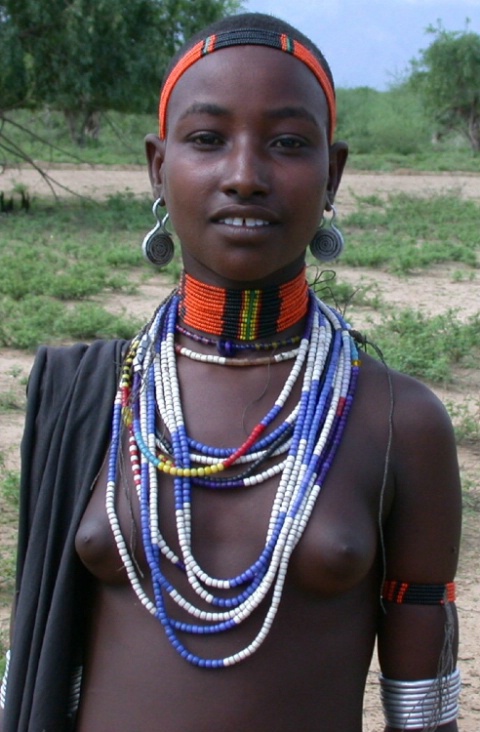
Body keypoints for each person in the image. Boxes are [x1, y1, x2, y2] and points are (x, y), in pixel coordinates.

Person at [0, 11, 462, 732]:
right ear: (159, 166)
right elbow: (38, 659)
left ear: (332, 171)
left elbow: (423, 709)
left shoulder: (398, 421)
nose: (244, 176)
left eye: (287, 143)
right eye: (208, 140)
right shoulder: (88, 396)